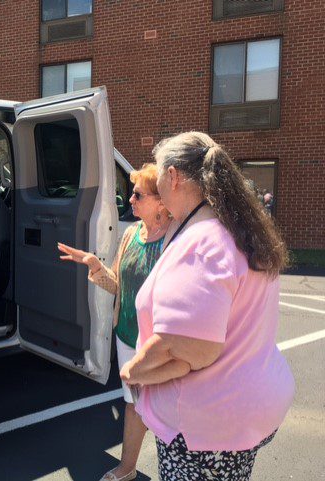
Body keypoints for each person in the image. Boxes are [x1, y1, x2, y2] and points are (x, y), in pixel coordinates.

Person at [120, 131, 294, 481]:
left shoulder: (202, 243)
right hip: (245, 408)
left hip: (207, 422)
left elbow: (188, 350)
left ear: (173, 177)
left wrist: (133, 371)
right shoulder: (237, 230)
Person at [57, 163, 172, 481]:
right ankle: (128, 468)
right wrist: (95, 265)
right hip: (127, 338)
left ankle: (178, 472)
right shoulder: (132, 234)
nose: (130, 200)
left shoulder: (176, 239)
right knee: (134, 404)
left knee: (168, 409)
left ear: (162, 201)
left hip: (160, 344)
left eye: (137, 194)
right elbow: (119, 284)